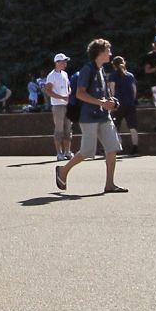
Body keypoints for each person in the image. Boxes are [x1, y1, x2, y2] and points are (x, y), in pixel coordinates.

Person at [56, 39, 127, 194]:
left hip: (104, 116)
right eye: (108, 50)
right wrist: (101, 103)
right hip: (88, 116)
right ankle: (63, 170)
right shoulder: (87, 69)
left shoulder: (101, 69)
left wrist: (111, 101)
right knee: (87, 151)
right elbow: (80, 94)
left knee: (112, 147)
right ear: (100, 52)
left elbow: (104, 93)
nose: (110, 54)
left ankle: (110, 184)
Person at [110, 55, 140, 156]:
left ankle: (115, 147)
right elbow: (134, 89)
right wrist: (132, 99)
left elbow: (112, 89)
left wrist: (112, 100)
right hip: (130, 104)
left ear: (114, 65)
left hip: (118, 104)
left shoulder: (113, 75)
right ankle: (135, 147)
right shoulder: (130, 75)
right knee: (132, 126)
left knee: (115, 126)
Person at [44, 54, 73, 160]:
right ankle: (59, 153)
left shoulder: (65, 74)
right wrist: (62, 97)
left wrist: (69, 94)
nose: (65, 64)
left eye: (65, 61)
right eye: (63, 62)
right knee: (59, 129)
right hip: (58, 106)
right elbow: (48, 91)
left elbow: (68, 87)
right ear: (57, 62)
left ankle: (67, 151)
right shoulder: (51, 76)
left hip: (67, 105)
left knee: (68, 129)